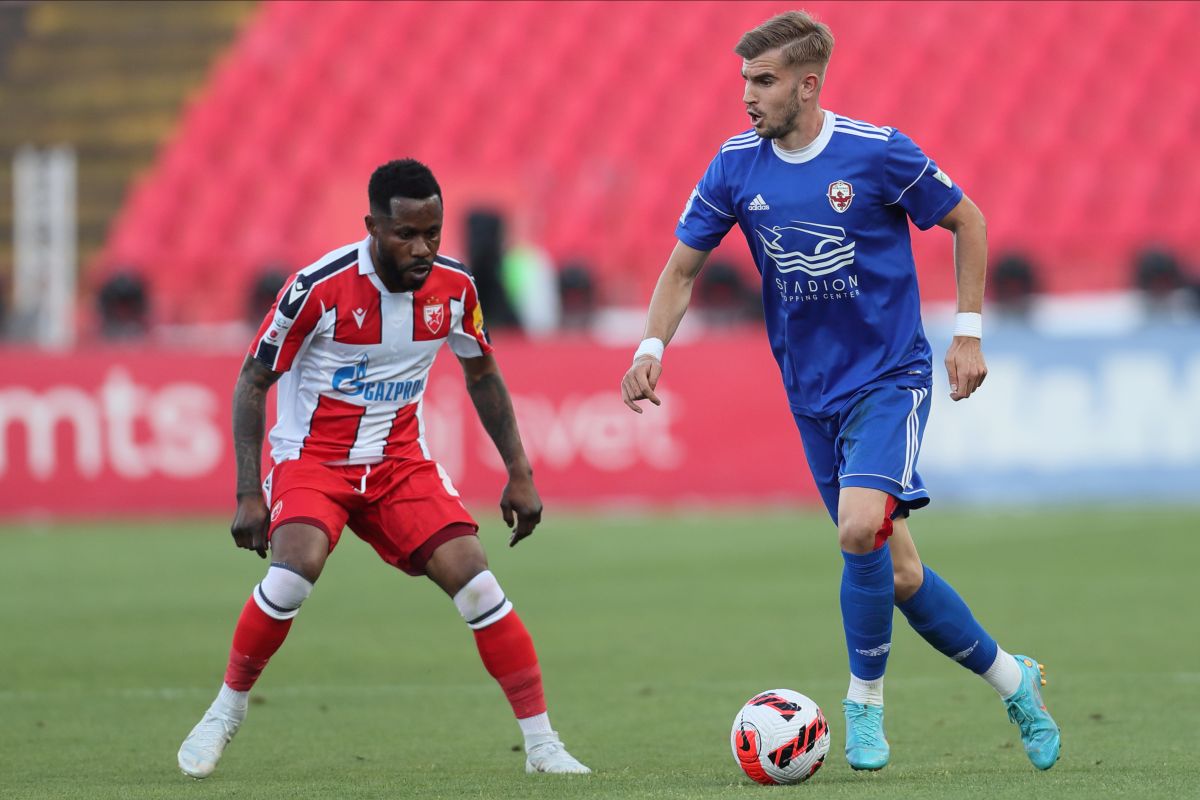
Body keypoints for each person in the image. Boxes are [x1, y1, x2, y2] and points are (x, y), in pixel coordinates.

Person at [620, 11, 1059, 773]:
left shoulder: (877, 153)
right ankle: (1017, 681)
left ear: (807, 83)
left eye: (764, 81)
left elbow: (969, 221)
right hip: (810, 393)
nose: (748, 97)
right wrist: (652, 346)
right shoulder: (733, 167)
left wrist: (967, 332)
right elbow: (684, 267)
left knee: (859, 530)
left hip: (889, 379)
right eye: (745, 82)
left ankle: (862, 704)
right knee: (900, 573)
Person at [177, 159, 590, 779]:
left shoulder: (456, 288)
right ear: (372, 225)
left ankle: (542, 745)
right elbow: (253, 380)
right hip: (314, 460)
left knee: (479, 584)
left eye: (433, 232)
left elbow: (481, 371)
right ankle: (225, 712)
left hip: (399, 464)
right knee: (293, 574)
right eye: (406, 234)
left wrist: (519, 469)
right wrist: (247, 490)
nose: (422, 248)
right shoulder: (318, 288)